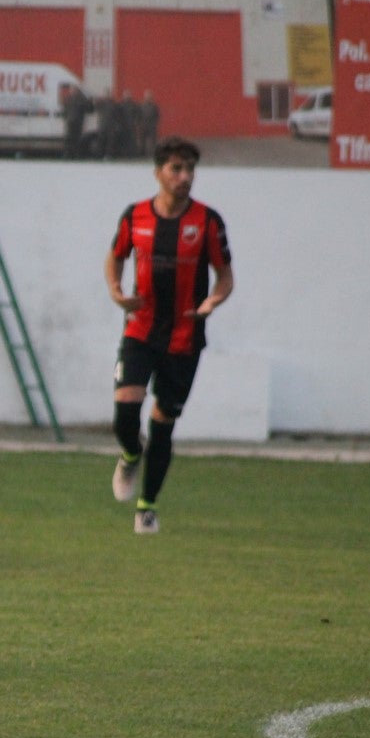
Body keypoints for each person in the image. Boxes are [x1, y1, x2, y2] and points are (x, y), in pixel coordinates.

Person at [104, 137, 234, 534]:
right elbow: (115, 257)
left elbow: (224, 276)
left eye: (190, 169)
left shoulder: (208, 221)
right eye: (177, 169)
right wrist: (117, 292)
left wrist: (212, 302)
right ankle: (130, 453)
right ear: (158, 172)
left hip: (184, 337)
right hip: (141, 329)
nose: (185, 177)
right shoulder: (136, 216)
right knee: (126, 411)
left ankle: (147, 506)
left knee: (163, 421)